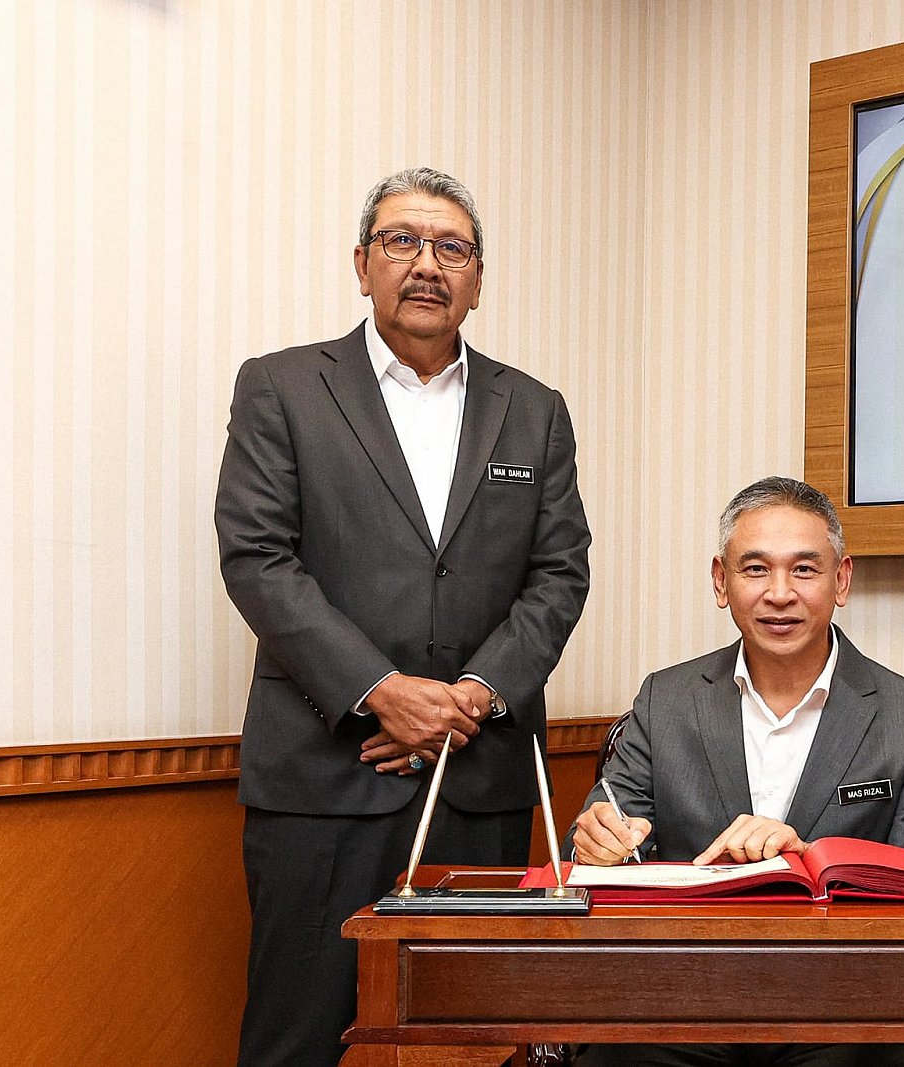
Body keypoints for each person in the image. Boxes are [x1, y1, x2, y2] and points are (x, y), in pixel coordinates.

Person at [215, 167, 591, 1066]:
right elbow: (258, 558)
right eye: (402, 241)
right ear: (362, 264)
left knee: (475, 1038)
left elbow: (559, 573)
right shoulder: (282, 387)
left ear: (478, 279)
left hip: (479, 777)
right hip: (324, 780)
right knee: (299, 1036)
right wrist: (381, 690)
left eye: (452, 248)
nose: (427, 264)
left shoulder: (534, 411)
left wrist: (472, 696)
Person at [571, 476, 904, 1067]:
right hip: (682, 996)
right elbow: (605, 842)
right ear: (720, 581)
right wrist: (600, 842)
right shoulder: (665, 700)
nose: (780, 594)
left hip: (845, 1005)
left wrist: (808, 859)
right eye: (755, 570)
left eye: (804, 570)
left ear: (842, 580)